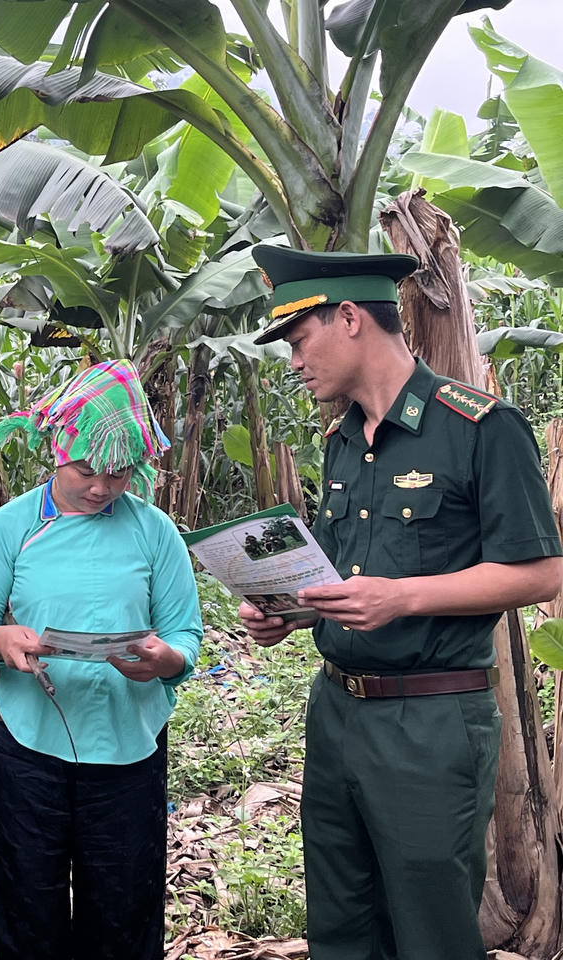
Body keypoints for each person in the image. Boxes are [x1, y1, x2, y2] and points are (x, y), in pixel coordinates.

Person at [239, 246, 563, 960]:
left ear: (350, 317)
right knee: (342, 925)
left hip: (430, 719)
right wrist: (285, 613)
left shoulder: (479, 427)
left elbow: (540, 573)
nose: (294, 361)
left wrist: (403, 599)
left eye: (299, 340)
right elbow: (345, 574)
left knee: (430, 930)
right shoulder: (343, 443)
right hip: (337, 715)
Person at [0, 359, 203, 960]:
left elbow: (185, 634)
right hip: (26, 743)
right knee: (25, 904)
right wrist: (1, 643)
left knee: (123, 909)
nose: (100, 487)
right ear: (55, 449)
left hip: (127, 747)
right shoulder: (10, 528)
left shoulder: (155, 532)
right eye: (86, 471)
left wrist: (165, 659)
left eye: (118, 474)